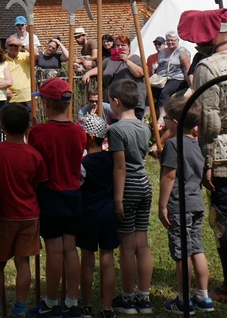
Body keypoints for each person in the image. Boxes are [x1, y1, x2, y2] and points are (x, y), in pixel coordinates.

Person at [26, 78, 87, 318]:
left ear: (47, 105)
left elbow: (36, 165)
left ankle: (51, 301)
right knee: (70, 249)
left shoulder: (39, 133)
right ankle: (71, 301)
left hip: (50, 193)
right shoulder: (79, 132)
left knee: (53, 250)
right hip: (73, 193)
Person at [178, 7, 227, 302]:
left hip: (223, 154)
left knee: (223, 221)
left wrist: (206, 161)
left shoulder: (209, 68)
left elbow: (209, 121)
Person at [0, 103, 47, 318]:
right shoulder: (34, 155)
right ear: (28, 126)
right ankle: (20, 308)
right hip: (29, 215)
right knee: (23, 263)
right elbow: (38, 184)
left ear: (2, 126)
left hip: (3, 215)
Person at [158, 95, 216, 313]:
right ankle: (203, 297)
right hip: (196, 204)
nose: (164, 122)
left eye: (166, 118)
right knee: (196, 249)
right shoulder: (196, 144)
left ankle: (183, 300)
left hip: (179, 205)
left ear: (175, 121)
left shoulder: (173, 145)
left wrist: (162, 205)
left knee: (182, 252)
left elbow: (169, 177)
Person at [108, 79, 154, 314]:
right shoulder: (144, 127)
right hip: (145, 185)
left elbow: (120, 167)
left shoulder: (116, 130)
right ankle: (144, 298)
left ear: (116, 102)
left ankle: (127, 298)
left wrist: (117, 199)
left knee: (127, 246)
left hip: (127, 188)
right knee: (141, 243)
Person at [77, 115, 118, 318]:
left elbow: (78, 185)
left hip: (89, 215)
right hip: (108, 213)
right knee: (108, 259)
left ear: (89, 137)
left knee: (87, 260)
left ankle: (85, 305)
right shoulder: (112, 159)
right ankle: (107, 307)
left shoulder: (84, 163)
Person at [81, 34, 145, 118]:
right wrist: (88, 74)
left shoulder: (135, 58)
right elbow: (100, 69)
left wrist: (126, 60)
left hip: (131, 102)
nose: (120, 47)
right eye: (117, 45)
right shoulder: (110, 60)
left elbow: (139, 73)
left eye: (123, 45)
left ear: (129, 46)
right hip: (114, 102)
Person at [154, 31, 192, 112]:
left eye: (172, 40)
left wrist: (190, 83)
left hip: (177, 78)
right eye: (168, 40)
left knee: (165, 92)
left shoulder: (182, 51)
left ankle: (163, 116)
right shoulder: (162, 52)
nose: (170, 42)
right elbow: (160, 67)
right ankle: (147, 115)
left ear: (177, 40)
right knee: (152, 92)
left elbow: (187, 68)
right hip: (162, 78)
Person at [4, 39, 32, 112]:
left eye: (16, 45)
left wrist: (22, 45)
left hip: (27, 97)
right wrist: (5, 88)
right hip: (11, 98)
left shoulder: (25, 56)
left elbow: (36, 54)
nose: (13, 47)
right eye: (11, 45)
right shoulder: (2, 58)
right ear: (6, 46)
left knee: (30, 122)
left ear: (20, 47)